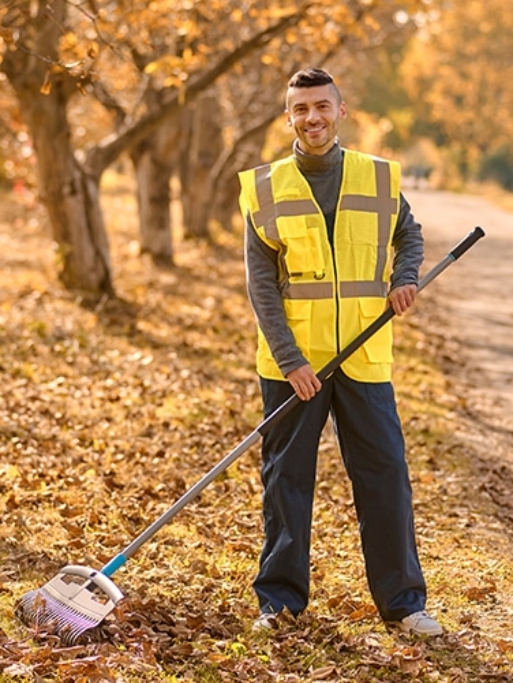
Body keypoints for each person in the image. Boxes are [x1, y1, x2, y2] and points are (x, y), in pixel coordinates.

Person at [238, 67, 442, 637]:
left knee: (385, 475)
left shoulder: (377, 179)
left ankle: (404, 603)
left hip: (363, 353)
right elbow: (261, 284)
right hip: (293, 364)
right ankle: (278, 602)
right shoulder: (265, 187)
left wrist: (405, 278)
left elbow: (410, 234)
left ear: (341, 111)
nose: (313, 118)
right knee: (286, 481)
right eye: (301, 109)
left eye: (322, 106)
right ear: (288, 119)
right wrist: (291, 360)